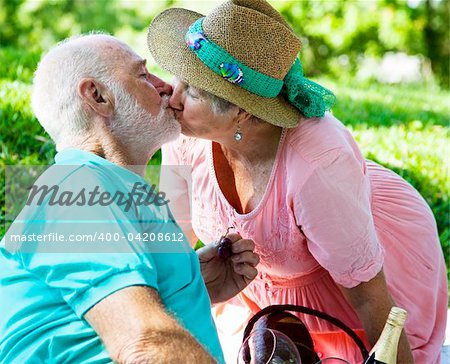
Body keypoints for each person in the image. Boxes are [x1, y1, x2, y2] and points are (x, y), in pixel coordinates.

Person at [146, 0, 448, 363]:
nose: (171, 98)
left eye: (192, 91)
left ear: (243, 110)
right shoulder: (185, 135)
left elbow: (369, 295)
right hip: (257, 294)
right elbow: (171, 242)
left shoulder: (316, 166)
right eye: (178, 77)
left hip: (343, 288)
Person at [0, 34, 260, 363]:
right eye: (142, 75)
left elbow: (92, 323)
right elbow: (145, 344)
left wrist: (193, 286)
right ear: (98, 96)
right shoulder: (76, 190)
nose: (166, 86)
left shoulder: (110, 189)